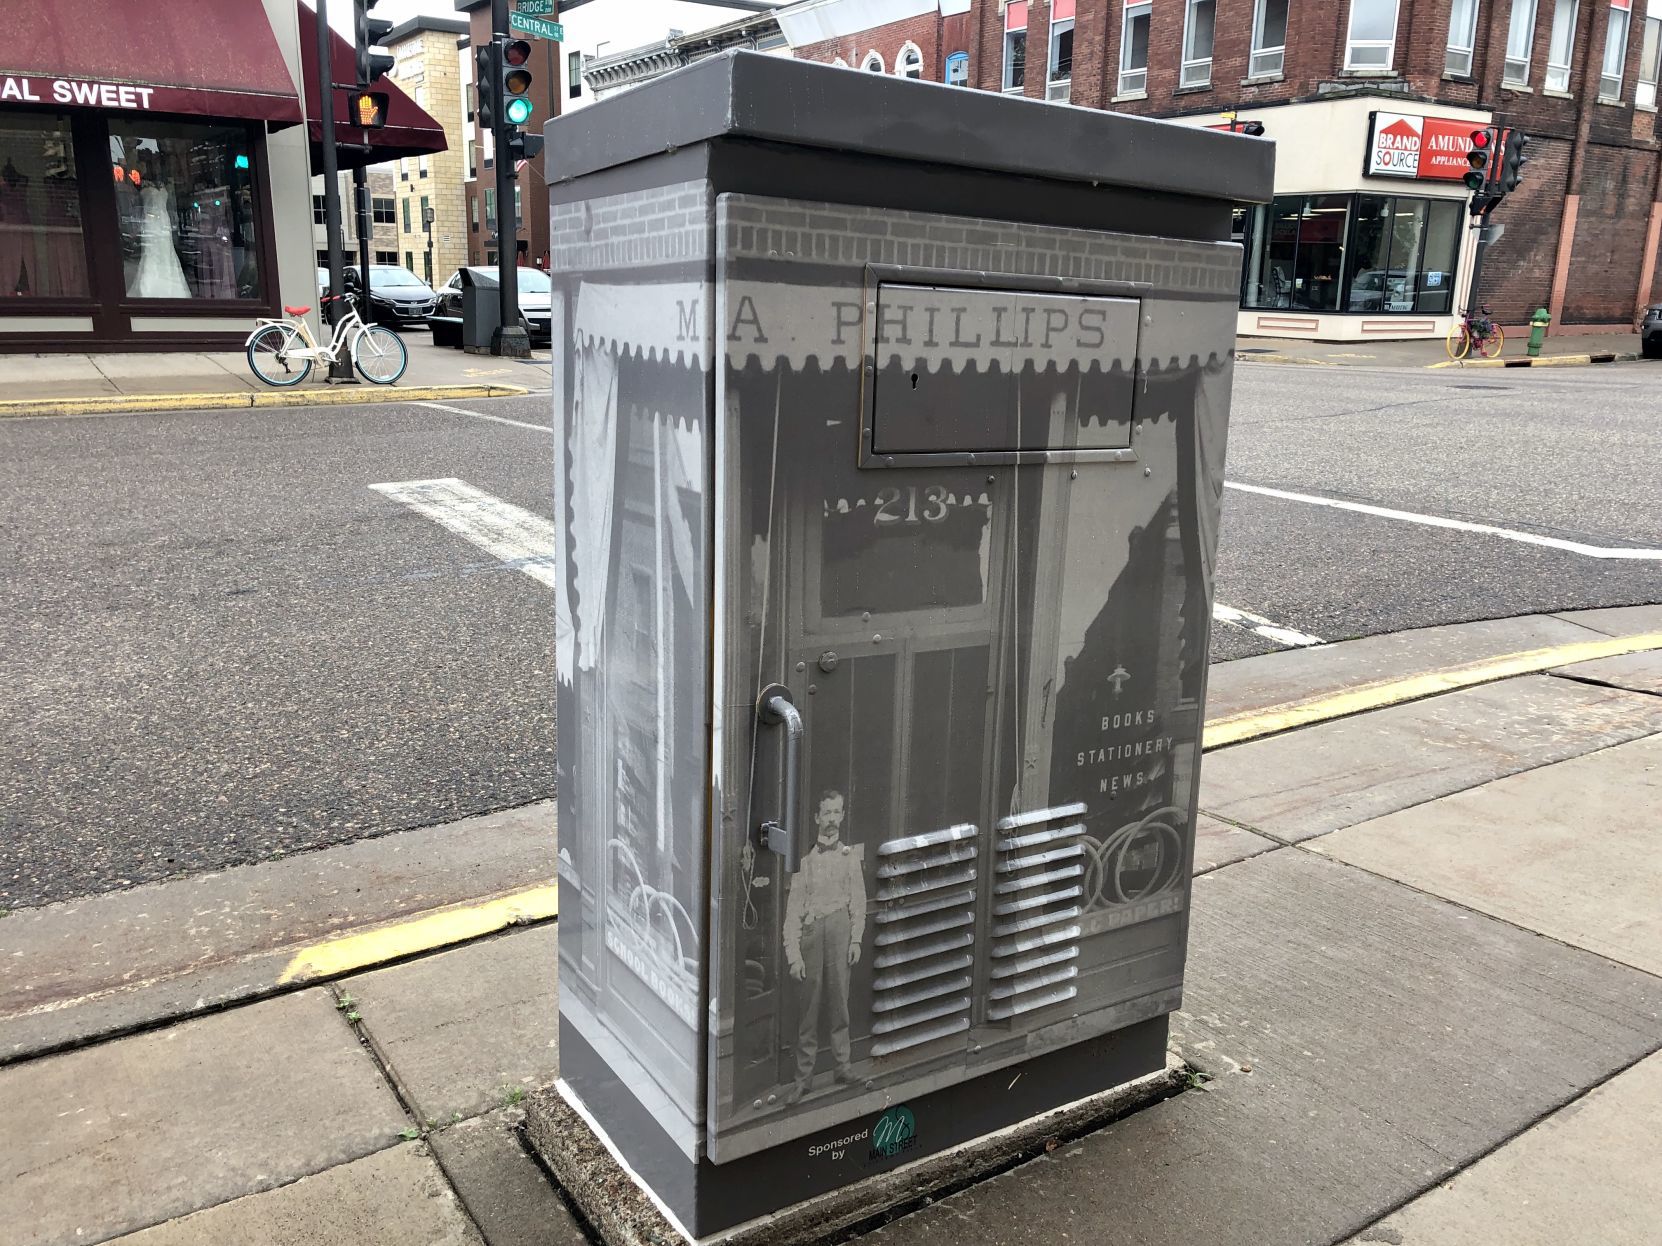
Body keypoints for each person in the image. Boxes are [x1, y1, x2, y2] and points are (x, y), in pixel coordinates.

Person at [782, 788, 867, 1105]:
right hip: (813, 937)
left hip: (841, 933)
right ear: (817, 818)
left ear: (842, 815)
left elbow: (858, 902)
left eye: (837, 812)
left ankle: (842, 1069)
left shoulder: (849, 859)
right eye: (826, 813)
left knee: (839, 1005)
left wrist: (856, 939)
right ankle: (803, 1080)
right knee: (809, 1010)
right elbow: (792, 915)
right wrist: (794, 957)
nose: (832, 819)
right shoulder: (805, 863)